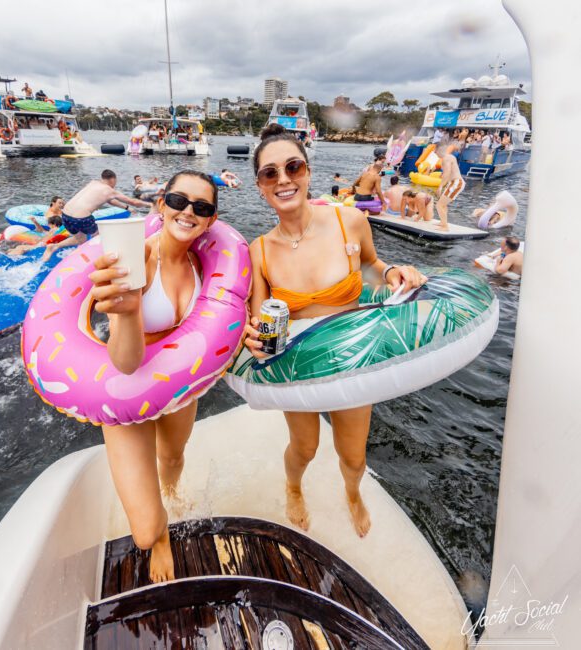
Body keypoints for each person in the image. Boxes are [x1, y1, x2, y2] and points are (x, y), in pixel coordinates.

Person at [243, 123, 426, 537]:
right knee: (305, 448)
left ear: (307, 171)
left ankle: (353, 492)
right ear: (259, 186)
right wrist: (252, 335)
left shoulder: (351, 221)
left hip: (352, 354)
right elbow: (259, 319)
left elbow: (372, 267)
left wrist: (394, 270)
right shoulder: (259, 251)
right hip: (300, 362)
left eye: (293, 167)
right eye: (270, 173)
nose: (284, 179)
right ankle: (293, 487)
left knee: (355, 458)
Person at [89, 170, 218, 582]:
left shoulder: (206, 264)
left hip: (179, 387)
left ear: (212, 219)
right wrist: (126, 312)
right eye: (179, 201)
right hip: (128, 388)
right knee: (144, 534)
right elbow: (124, 362)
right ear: (161, 203)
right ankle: (160, 536)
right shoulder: (139, 256)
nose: (188, 212)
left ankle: (168, 494)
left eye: (202, 207)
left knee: (173, 457)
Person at [42, 170, 152, 261]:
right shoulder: (109, 190)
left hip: (65, 215)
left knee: (80, 239)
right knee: (101, 234)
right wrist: (151, 204)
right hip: (81, 218)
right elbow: (134, 202)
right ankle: (97, 257)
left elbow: (109, 200)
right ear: (112, 179)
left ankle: (54, 246)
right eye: (115, 181)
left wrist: (126, 208)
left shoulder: (93, 183)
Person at [435, 141, 465, 231]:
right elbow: (448, 172)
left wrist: (440, 187)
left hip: (456, 183)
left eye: (435, 151)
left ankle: (445, 227)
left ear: (440, 150)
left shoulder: (446, 158)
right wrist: (443, 174)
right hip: (453, 183)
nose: (434, 153)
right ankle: (443, 223)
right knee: (443, 204)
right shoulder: (448, 157)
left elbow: (447, 173)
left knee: (439, 205)